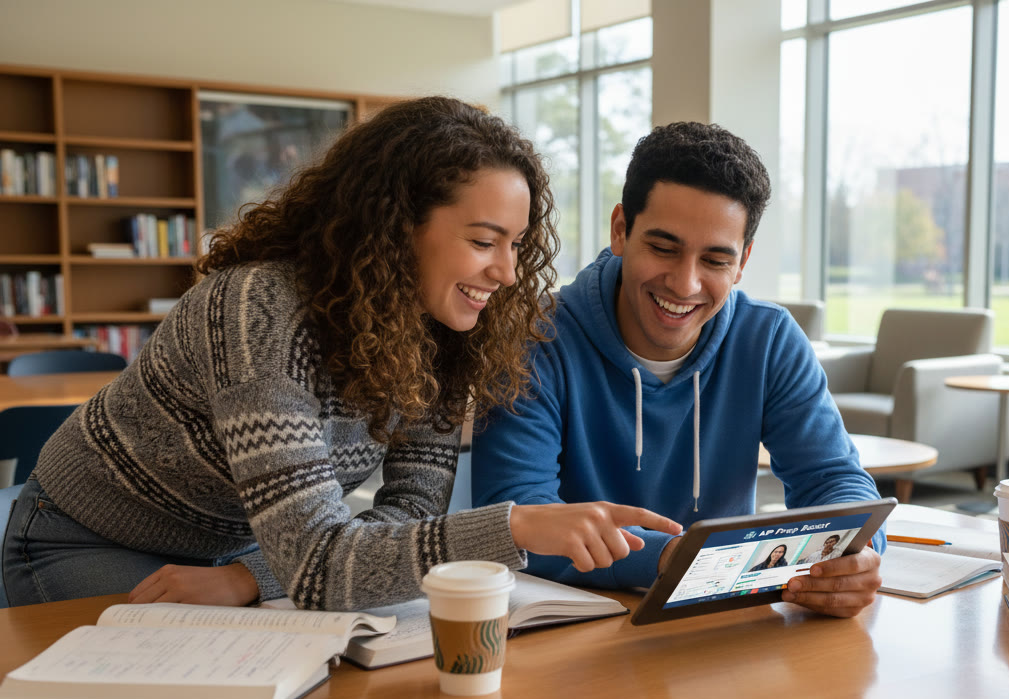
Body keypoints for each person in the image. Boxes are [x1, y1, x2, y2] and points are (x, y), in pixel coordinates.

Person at [2, 97, 679, 611]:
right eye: (483, 240)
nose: (507, 272)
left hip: (246, 550)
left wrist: (246, 577)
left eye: (516, 243)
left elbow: (406, 516)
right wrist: (519, 526)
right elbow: (322, 564)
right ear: (394, 227)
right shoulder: (258, 310)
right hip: (87, 539)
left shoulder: (440, 334)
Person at [472, 121, 886, 618]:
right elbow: (514, 516)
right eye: (664, 248)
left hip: (720, 630)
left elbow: (835, 481)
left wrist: (859, 552)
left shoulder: (769, 339)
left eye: (714, 259)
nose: (685, 284)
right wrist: (670, 560)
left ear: (742, 262)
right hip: (571, 630)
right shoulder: (533, 338)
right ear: (621, 230)